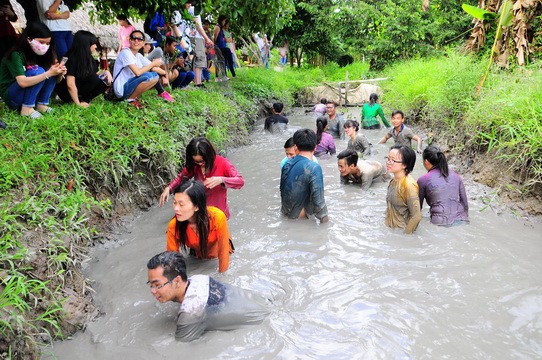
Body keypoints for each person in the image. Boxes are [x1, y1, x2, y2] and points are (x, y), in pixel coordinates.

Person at [147, 251, 269, 342]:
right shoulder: (199, 279)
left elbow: (180, 349)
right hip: (264, 301)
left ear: (177, 281)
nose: (152, 291)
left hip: (262, 321)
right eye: (150, 285)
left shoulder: (191, 314)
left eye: (157, 285)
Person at [159, 137, 244, 219]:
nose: (199, 164)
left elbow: (240, 181)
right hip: (200, 211)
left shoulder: (223, 163)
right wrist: (169, 188)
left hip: (219, 214)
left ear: (209, 155)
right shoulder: (194, 166)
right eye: (196, 161)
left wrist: (221, 180)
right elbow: (181, 177)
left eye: (202, 161)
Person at [0, 22, 66, 118]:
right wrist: (48, 73)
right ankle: (27, 109)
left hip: (32, 96)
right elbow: (22, 82)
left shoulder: (42, 55)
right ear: (29, 39)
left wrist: (58, 73)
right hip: (13, 99)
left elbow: (57, 80)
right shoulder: (16, 55)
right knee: (37, 71)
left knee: (49, 69)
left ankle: (42, 105)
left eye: (47, 43)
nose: (45, 46)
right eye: (41, 42)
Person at [166, 180, 233, 273]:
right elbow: (172, 259)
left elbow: (223, 251)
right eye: (174, 203)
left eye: (181, 204)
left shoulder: (217, 217)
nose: (176, 208)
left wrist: (223, 276)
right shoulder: (173, 226)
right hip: (197, 257)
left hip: (217, 257)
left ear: (196, 206)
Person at [112, 30, 174, 108]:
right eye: (133, 38)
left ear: (143, 43)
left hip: (129, 86)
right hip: (121, 90)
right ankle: (130, 99)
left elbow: (154, 68)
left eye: (139, 39)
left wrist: (164, 74)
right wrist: (153, 64)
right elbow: (137, 72)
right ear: (129, 40)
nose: (136, 41)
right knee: (148, 77)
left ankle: (160, 92)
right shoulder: (125, 53)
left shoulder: (138, 55)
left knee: (155, 76)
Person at [280, 129, 329, 223]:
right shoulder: (314, 168)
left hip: (286, 216)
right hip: (301, 221)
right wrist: (327, 227)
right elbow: (319, 205)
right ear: (315, 148)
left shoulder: (286, 164)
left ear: (295, 147)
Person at [54, 31, 111, 107]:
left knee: (105, 79)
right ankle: (74, 101)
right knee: (94, 78)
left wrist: (106, 72)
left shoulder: (89, 58)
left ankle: (85, 99)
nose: (95, 46)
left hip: (80, 87)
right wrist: (77, 104)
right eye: (93, 44)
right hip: (67, 91)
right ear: (86, 44)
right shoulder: (71, 59)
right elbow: (70, 84)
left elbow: (96, 75)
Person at [418, 145, 469, 226]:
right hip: (462, 220)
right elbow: (465, 204)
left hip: (440, 224)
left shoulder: (423, 180)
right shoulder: (456, 175)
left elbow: (417, 210)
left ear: (426, 162)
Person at [385, 145, 421, 234]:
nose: (388, 162)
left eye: (393, 160)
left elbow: (416, 216)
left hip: (401, 231)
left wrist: (406, 237)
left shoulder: (409, 185)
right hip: (391, 230)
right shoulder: (393, 180)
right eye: (388, 158)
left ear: (404, 165)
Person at [184, 1, 214, 87]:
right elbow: (198, 26)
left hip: (191, 37)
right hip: (197, 38)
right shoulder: (193, 10)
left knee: (195, 60)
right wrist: (207, 38)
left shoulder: (184, 12)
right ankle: (198, 83)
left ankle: (197, 81)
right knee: (199, 59)